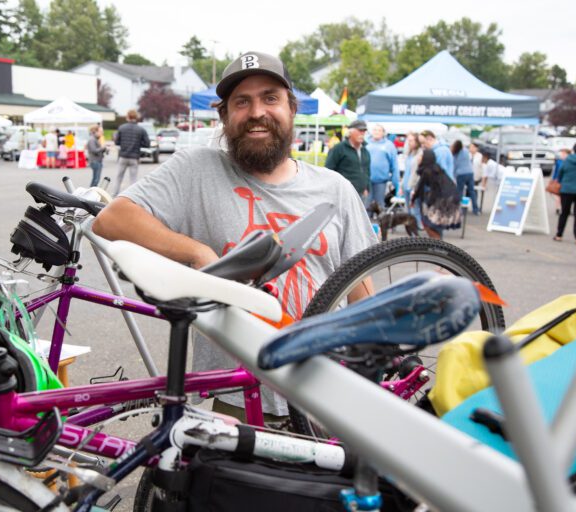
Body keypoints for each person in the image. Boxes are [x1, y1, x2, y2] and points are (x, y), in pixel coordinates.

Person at [93, 51, 377, 420]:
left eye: (270, 98)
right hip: (238, 396)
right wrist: (196, 253)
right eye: (242, 102)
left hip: (327, 394)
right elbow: (112, 220)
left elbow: (361, 291)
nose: (257, 112)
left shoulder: (334, 189)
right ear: (225, 116)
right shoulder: (197, 169)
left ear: (292, 109)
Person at [411, 149, 461, 240]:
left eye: (420, 156)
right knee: (433, 224)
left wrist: (413, 200)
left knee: (429, 223)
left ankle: (437, 245)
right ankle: (437, 245)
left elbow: (420, 189)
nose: (418, 158)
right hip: (450, 198)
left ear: (425, 158)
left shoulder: (427, 171)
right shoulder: (434, 168)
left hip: (446, 200)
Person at [325, 119, 371, 202]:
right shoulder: (339, 148)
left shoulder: (365, 151)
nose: (362, 133)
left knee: (359, 215)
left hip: (361, 193)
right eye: (360, 130)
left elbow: (367, 171)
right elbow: (328, 170)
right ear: (350, 132)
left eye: (364, 131)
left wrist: (367, 187)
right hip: (343, 193)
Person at [111, 109, 149, 195]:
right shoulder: (141, 129)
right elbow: (147, 143)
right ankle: (132, 197)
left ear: (128, 116)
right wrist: (138, 143)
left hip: (123, 156)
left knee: (119, 178)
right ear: (136, 117)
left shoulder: (122, 127)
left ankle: (114, 196)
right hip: (134, 157)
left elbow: (117, 142)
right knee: (133, 179)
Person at [366, 124, 399, 208]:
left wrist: (395, 181)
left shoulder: (389, 145)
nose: (376, 132)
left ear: (383, 133)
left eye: (379, 130)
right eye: (375, 130)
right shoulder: (366, 143)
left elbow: (394, 164)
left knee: (379, 205)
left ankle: (379, 221)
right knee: (366, 204)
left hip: (381, 181)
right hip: (366, 180)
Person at [399, 132, 423, 228]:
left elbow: (417, 173)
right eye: (408, 140)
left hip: (414, 185)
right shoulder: (409, 153)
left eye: (411, 140)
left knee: (415, 207)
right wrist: (402, 185)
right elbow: (406, 170)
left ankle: (417, 225)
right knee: (407, 207)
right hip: (406, 184)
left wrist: (414, 187)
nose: (409, 142)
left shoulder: (420, 154)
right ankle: (410, 226)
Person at [451, 140, 480, 215]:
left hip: (460, 174)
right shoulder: (466, 151)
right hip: (470, 172)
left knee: (460, 192)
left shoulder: (455, 154)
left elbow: (454, 166)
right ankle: (475, 209)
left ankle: (460, 209)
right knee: (472, 192)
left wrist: (453, 176)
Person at [550, 148, 570, 215]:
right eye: (562, 154)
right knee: (558, 195)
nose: (562, 155)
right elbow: (555, 171)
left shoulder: (570, 162)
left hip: (567, 181)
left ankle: (565, 208)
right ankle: (558, 208)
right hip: (559, 180)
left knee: (566, 196)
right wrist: (553, 178)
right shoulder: (558, 161)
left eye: (564, 154)